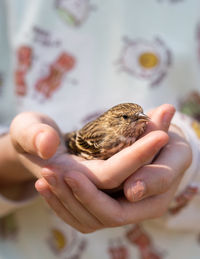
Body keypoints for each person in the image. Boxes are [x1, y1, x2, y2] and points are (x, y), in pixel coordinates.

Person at [0, 1, 200, 258]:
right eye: (129, 117)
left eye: (139, 113)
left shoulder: (142, 131)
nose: (140, 119)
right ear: (115, 121)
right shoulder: (103, 139)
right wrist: (16, 154)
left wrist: (188, 159)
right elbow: (71, 144)